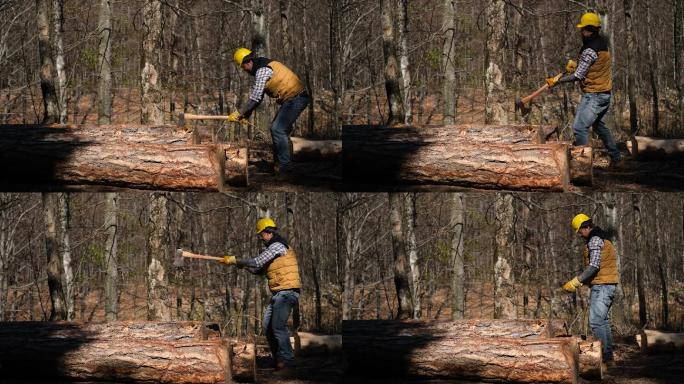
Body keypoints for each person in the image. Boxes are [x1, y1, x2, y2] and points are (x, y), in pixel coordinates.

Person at [222, 217, 301, 369]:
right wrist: (240, 265)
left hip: (287, 292)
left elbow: (257, 262)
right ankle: (279, 359)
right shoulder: (271, 250)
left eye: (261, 235)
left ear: (267, 232)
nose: (260, 238)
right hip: (279, 293)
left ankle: (288, 361)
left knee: (277, 325)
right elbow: (258, 270)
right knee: (267, 325)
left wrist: (236, 260)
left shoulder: (277, 246)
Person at [546, 12, 623, 168]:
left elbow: (578, 76)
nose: (581, 32)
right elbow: (591, 66)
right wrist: (577, 64)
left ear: (590, 30)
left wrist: (557, 81)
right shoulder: (602, 44)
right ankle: (616, 159)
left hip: (594, 95)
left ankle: (583, 166)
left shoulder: (590, 49)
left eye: (583, 29)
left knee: (579, 128)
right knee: (600, 126)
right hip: (604, 93)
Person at [229, 48, 311, 174]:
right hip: (293, 98)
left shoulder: (262, 71)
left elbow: (255, 97)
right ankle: (280, 165)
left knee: (278, 129)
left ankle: (286, 168)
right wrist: (246, 114)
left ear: (246, 63)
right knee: (277, 128)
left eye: (242, 67)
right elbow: (259, 97)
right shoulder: (262, 66)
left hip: (296, 98)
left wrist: (239, 113)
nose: (244, 70)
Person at [563, 213, 618, 369]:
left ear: (586, 227)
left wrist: (576, 281)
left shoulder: (594, 240)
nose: (580, 235)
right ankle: (608, 359)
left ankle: (603, 360)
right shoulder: (601, 238)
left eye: (580, 231)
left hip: (603, 286)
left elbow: (594, 266)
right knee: (603, 321)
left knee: (595, 321)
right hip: (606, 284)